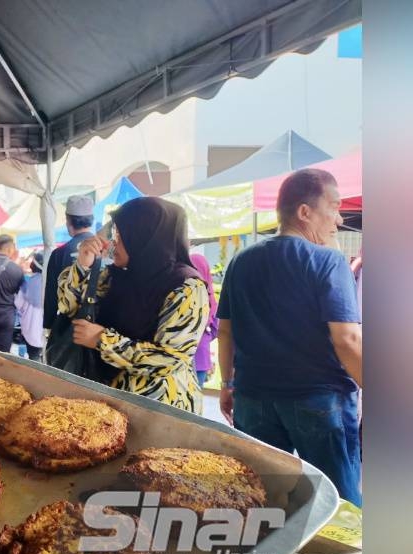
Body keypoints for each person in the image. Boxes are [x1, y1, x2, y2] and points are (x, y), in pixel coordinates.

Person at [217, 168, 362, 505]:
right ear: (304, 212)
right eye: (335, 207)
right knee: (336, 502)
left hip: (253, 400)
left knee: (264, 498)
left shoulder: (240, 261)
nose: (339, 219)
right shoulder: (328, 261)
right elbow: (347, 340)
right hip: (318, 401)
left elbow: (226, 331)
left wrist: (227, 385)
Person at [59, 197, 209, 412]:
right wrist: (83, 263)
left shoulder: (186, 288)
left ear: (144, 237)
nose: (113, 243)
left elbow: (169, 358)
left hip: (158, 408)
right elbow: (69, 307)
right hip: (106, 400)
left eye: (121, 236)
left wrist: (102, 340)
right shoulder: (116, 275)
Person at [43, 195, 96, 363]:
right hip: (101, 329)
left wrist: (49, 325)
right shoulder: (106, 250)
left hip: (70, 326)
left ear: (68, 221)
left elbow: (52, 293)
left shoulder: (60, 254)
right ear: (91, 220)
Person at [190, 253, 219, 387]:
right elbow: (215, 329)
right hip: (201, 357)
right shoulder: (210, 299)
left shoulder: (182, 292)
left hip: (178, 359)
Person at [15, 251, 45, 361]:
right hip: (49, 331)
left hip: (31, 329)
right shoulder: (56, 281)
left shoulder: (27, 282)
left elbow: (18, 304)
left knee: (34, 358)